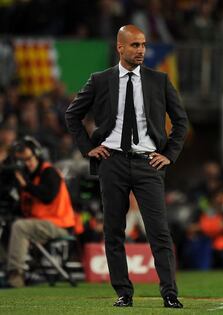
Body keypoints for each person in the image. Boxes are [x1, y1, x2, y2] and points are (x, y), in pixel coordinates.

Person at [65, 25, 188, 308]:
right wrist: (88, 149)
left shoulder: (159, 80)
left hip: (149, 164)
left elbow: (181, 122)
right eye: (135, 45)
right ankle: (123, 293)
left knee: (159, 231)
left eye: (143, 44)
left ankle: (170, 293)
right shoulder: (100, 80)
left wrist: (169, 154)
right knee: (113, 231)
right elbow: (73, 115)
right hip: (112, 163)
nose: (141, 50)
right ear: (120, 48)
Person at [6, 136, 75, 288]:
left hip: (59, 225)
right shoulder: (27, 178)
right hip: (40, 224)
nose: (27, 163)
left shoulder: (49, 172)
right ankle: (8, 270)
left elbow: (47, 197)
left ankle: (15, 276)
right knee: (9, 224)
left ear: (37, 155)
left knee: (20, 227)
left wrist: (26, 185)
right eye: (23, 161)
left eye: (29, 158)